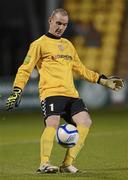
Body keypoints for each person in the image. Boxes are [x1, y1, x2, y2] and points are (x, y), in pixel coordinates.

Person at [6, 8, 124, 174]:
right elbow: (25, 69)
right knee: (52, 123)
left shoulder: (68, 45)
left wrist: (103, 80)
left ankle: (67, 164)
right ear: (50, 21)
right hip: (51, 93)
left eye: (64, 24)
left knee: (85, 122)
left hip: (71, 94)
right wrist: (17, 91)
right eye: (58, 23)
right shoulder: (39, 44)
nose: (61, 27)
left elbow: (81, 69)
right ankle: (44, 163)